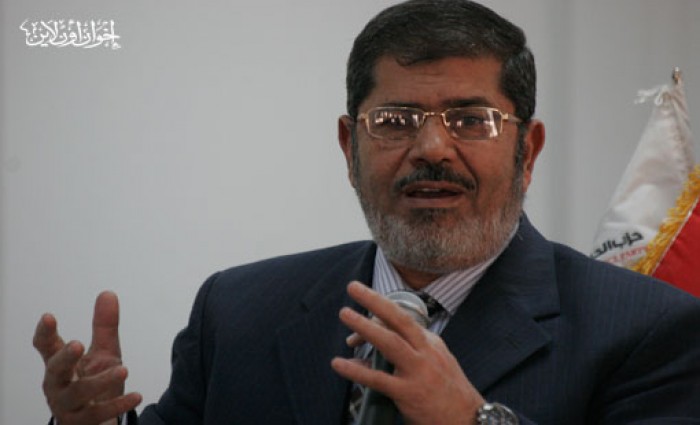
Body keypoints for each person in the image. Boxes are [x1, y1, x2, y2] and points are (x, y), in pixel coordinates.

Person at [34, 0, 700, 424]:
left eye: (471, 120)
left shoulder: (648, 330)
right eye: (396, 120)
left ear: (528, 151)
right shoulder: (236, 313)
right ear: (349, 147)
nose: (431, 148)